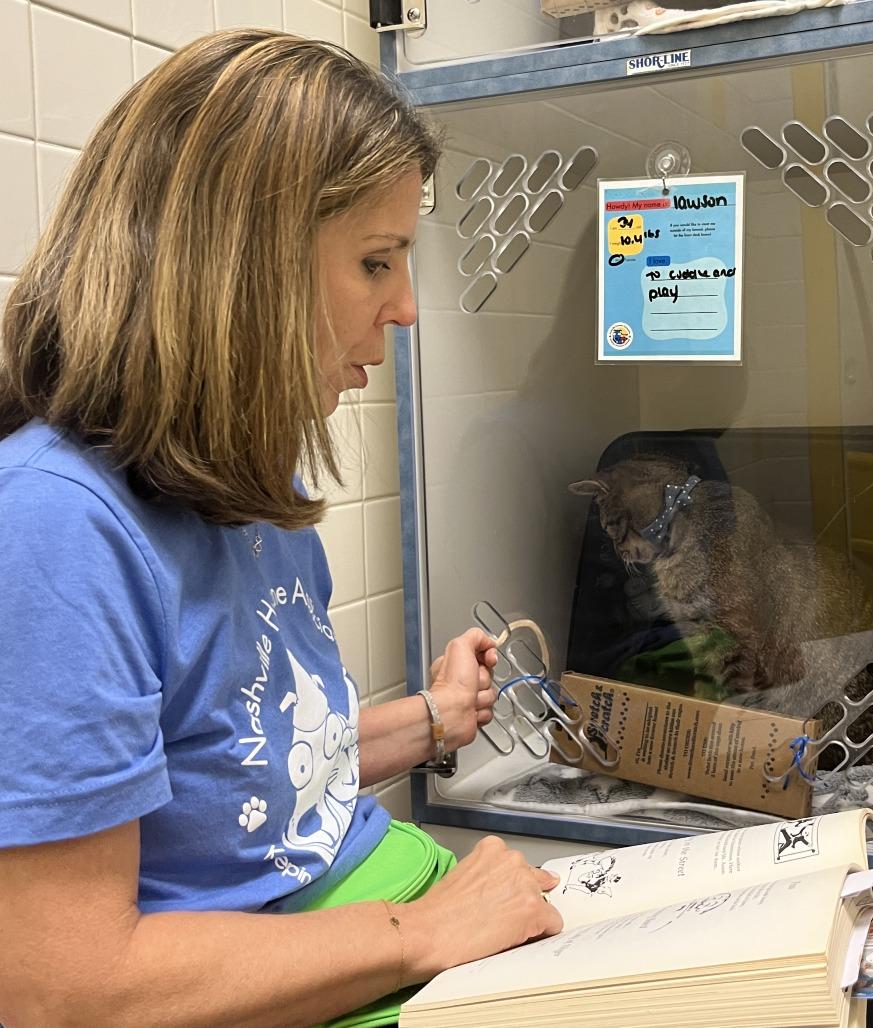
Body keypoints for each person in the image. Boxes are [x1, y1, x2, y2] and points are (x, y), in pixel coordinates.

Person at [0, 29, 562, 1028]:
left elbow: (241, 772)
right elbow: (64, 989)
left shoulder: (247, 476)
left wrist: (431, 718)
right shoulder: (55, 525)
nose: (405, 309)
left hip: (385, 907)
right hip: (333, 960)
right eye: (375, 261)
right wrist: (425, 930)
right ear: (238, 267)